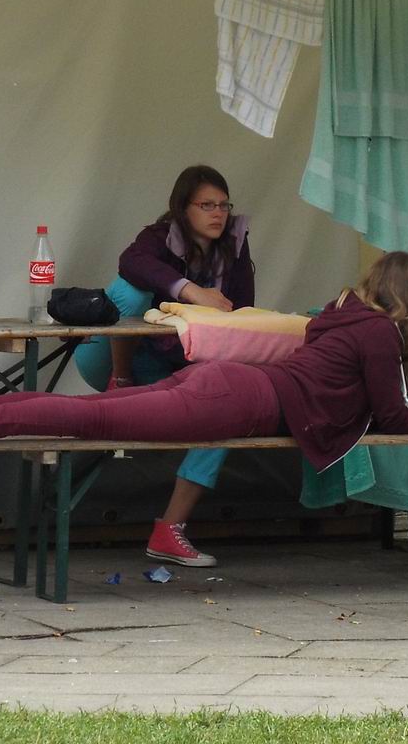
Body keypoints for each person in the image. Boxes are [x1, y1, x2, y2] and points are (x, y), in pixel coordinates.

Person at [0, 253, 408, 570]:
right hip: (236, 400)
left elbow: (373, 404)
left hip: (228, 386)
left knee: (94, 412)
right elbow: (394, 418)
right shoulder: (378, 333)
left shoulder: (345, 315)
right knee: (94, 420)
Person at [72, 164, 255, 566]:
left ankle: (169, 531)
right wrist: (190, 291)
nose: (218, 214)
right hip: (109, 355)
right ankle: (120, 381)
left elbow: (242, 312)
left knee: (227, 410)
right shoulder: (158, 238)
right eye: (207, 205)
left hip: (170, 363)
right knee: (130, 290)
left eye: (224, 205)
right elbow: (131, 263)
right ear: (182, 208)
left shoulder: (235, 246)